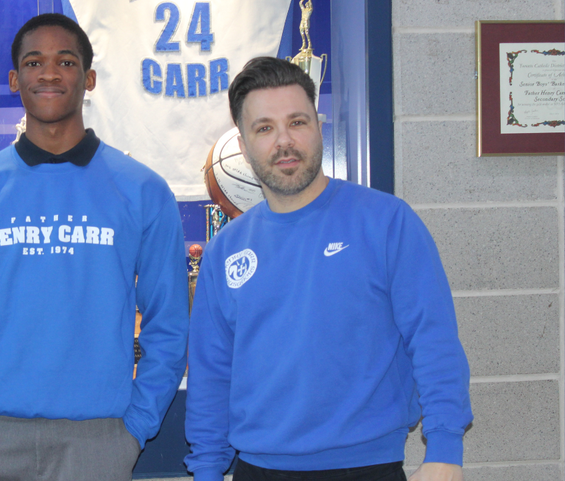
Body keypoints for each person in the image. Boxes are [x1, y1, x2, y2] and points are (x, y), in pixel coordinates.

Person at [0, 13, 190, 481]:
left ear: (88, 78)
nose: (49, 73)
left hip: (98, 442)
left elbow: (168, 327)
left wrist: (134, 428)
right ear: (14, 79)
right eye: (34, 62)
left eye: (65, 61)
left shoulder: (142, 191)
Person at [184, 57, 473, 481]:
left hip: (368, 466)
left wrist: (445, 450)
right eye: (264, 128)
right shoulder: (225, 250)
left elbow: (433, 339)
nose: (284, 141)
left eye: (297, 122)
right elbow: (212, 373)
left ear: (318, 128)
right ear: (244, 146)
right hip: (259, 469)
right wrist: (207, 470)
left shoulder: (386, 222)